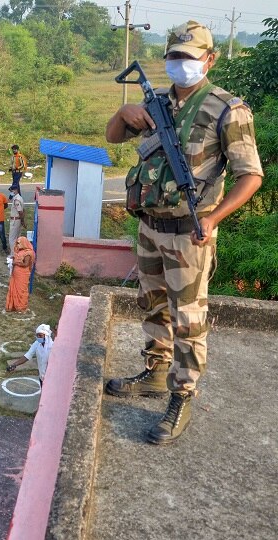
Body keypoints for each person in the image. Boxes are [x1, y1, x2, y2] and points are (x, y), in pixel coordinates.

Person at [103, 21, 263, 445]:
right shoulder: (157, 103)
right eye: (174, 57)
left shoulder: (228, 109)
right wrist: (122, 113)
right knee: (153, 304)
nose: (180, 65)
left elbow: (250, 177)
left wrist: (213, 219)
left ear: (209, 60)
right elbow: (114, 136)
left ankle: (183, 396)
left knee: (189, 320)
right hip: (149, 227)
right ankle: (156, 373)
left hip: (190, 231)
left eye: (189, 58)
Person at [5, 236, 35, 312]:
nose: (17, 245)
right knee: (14, 289)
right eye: (17, 243)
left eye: (19, 243)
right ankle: (13, 305)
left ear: (23, 243)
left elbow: (25, 264)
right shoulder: (18, 250)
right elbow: (16, 257)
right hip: (15, 273)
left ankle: (21, 306)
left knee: (21, 290)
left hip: (23, 274)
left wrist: (16, 262)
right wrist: (12, 259)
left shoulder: (28, 253)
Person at [8, 184, 26, 255]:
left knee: (12, 239)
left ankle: (13, 255)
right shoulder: (20, 198)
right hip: (18, 220)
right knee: (17, 238)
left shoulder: (16, 199)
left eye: (11, 190)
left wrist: (22, 221)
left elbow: (20, 211)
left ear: (15, 190)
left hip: (15, 220)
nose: (11, 192)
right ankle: (17, 254)